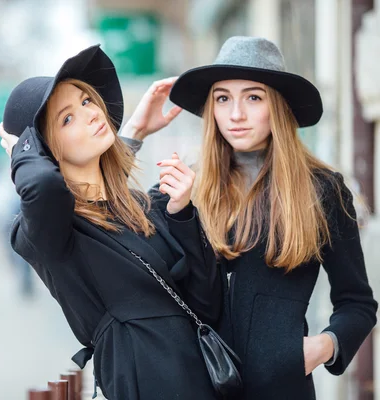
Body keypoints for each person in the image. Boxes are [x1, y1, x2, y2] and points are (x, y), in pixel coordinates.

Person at [129, 36, 378, 400]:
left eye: (254, 97)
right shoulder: (185, 185)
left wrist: (321, 348)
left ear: (277, 106)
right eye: (223, 98)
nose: (236, 115)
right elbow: (106, 224)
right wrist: (134, 133)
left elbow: (357, 302)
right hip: (191, 387)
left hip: (281, 391)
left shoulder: (321, 190)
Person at [0, 45, 221, 399]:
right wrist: (21, 152)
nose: (89, 114)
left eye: (86, 101)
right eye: (66, 118)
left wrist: (183, 216)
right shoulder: (52, 235)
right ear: (44, 149)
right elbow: (43, 187)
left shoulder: (151, 205)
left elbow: (210, 307)